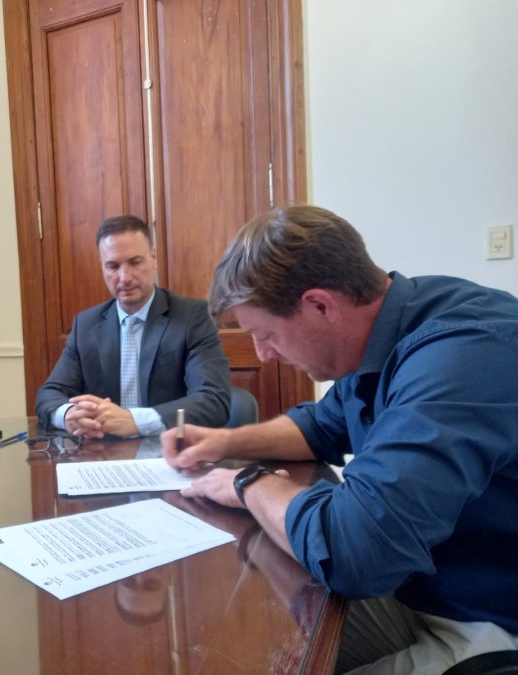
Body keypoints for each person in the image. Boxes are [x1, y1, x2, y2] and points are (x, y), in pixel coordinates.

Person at [161, 205, 518, 673]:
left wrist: (251, 483)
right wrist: (225, 444)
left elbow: (357, 552)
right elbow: (321, 427)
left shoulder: (461, 358)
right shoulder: (388, 330)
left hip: (486, 621)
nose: (264, 356)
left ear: (320, 305)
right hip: (419, 585)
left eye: (264, 334)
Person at [36, 215, 231, 439]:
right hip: (102, 457)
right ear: (102, 267)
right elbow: (48, 394)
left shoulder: (192, 318)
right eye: (113, 266)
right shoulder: (86, 325)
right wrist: (70, 414)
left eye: (135, 262)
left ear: (154, 258)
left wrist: (135, 421)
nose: (124, 277)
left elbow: (214, 401)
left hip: (169, 455)